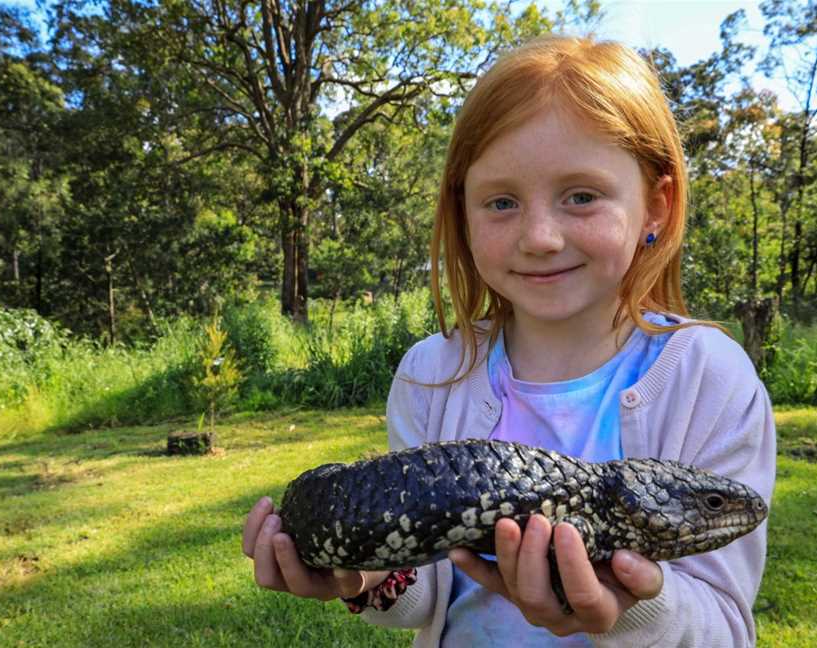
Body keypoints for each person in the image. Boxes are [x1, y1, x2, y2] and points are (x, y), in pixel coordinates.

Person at [242, 33, 776, 647]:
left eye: (582, 196)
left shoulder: (711, 377)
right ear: (463, 215)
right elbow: (430, 587)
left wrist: (626, 605)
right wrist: (362, 578)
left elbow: (725, 630)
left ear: (656, 205)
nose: (541, 236)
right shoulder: (431, 373)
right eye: (501, 202)